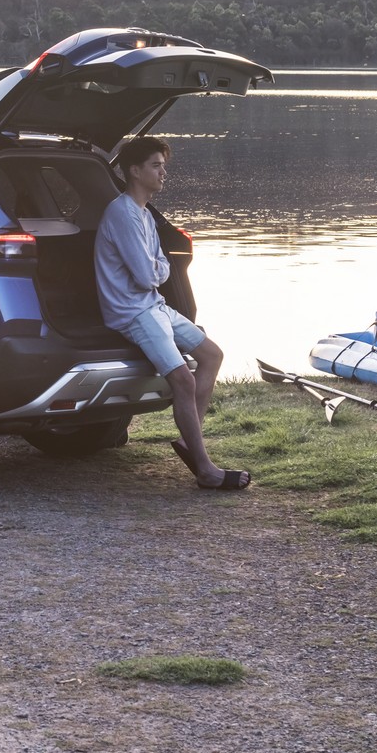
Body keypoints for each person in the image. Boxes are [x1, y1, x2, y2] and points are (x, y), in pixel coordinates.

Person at [95, 136, 248, 491]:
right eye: (156, 165)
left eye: (163, 165)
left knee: (211, 355)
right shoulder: (122, 213)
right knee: (183, 379)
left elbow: (159, 268)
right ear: (135, 171)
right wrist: (157, 271)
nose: (163, 172)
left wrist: (157, 270)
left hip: (153, 305)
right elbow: (149, 274)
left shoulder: (145, 215)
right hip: (132, 311)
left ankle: (188, 443)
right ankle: (206, 469)